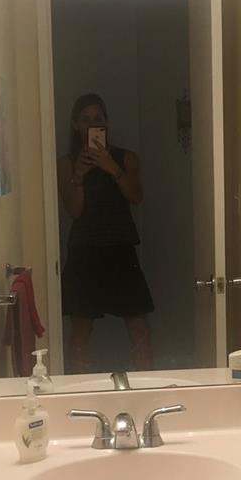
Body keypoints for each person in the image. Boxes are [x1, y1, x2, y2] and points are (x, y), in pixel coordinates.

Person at [57, 93, 154, 372]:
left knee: (139, 328)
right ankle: (77, 391)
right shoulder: (66, 164)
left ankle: (148, 387)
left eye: (98, 118)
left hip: (121, 250)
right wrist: (78, 177)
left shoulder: (126, 158)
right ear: (75, 125)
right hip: (84, 252)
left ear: (106, 123)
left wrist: (113, 168)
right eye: (85, 119)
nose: (92, 124)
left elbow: (136, 196)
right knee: (80, 333)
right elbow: (74, 211)